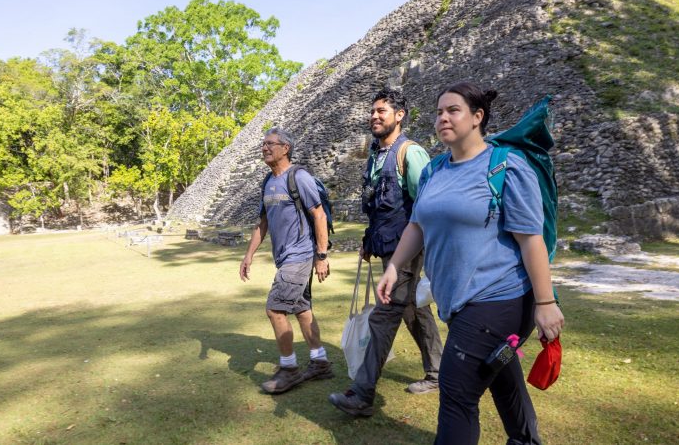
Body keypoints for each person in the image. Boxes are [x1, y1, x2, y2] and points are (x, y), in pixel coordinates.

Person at [375, 82, 565, 444]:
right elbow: (417, 224)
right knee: (502, 376)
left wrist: (545, 302)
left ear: (477, 117)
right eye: (438, 111)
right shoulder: (435, 170)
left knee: (457, 395)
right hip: (459, 302)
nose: (442, 117)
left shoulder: (507, 168)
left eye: (453, 110)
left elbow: (531, 239)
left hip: (501, 300)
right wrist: (394, 266)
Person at [328, 88, 443, 417]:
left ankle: (362, 395)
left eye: (382, 111)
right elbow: (378, 207)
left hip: (405, 251)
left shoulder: (410, 153)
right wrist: (369, 239)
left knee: (384, 315)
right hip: (385, 249)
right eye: (373, 111)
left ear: (399, 115)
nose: (375, 116)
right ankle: (439, 373)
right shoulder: (376, 156)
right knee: (413, 312)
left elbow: (427, 206)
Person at [239, 127, 334, 394]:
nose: (265, 148)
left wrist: (322, 256)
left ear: (285, 148)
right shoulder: (268, 182)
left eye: (271, 143)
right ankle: (320, 362)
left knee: (275, 309)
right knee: (302, 310)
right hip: (284, 258)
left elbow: (319, 216)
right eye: (263, 143)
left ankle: (289, 368)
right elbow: (263, 222)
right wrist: (248, 255)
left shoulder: (299, 177)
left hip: (300, 255)